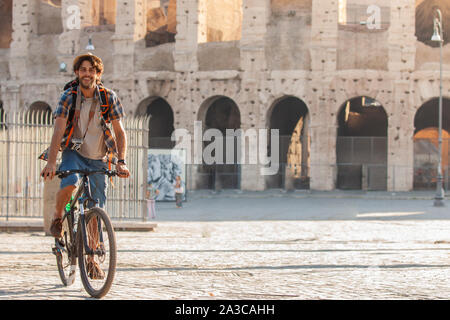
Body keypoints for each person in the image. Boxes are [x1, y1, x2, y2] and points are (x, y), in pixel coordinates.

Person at [40, 53, 130, 279]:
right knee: (70, 183)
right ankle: (58, 216)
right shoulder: (68, 97)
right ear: (77, 73)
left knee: (95, 207)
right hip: (74, 153)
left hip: (99, 156)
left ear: (98, 74)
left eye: (92, 70)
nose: (87, 73)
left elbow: (120, 132)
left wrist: (121, 161)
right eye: (83, 70)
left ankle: (91, 260)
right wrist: (52, 162)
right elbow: (58, 131)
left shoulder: (109, 97)